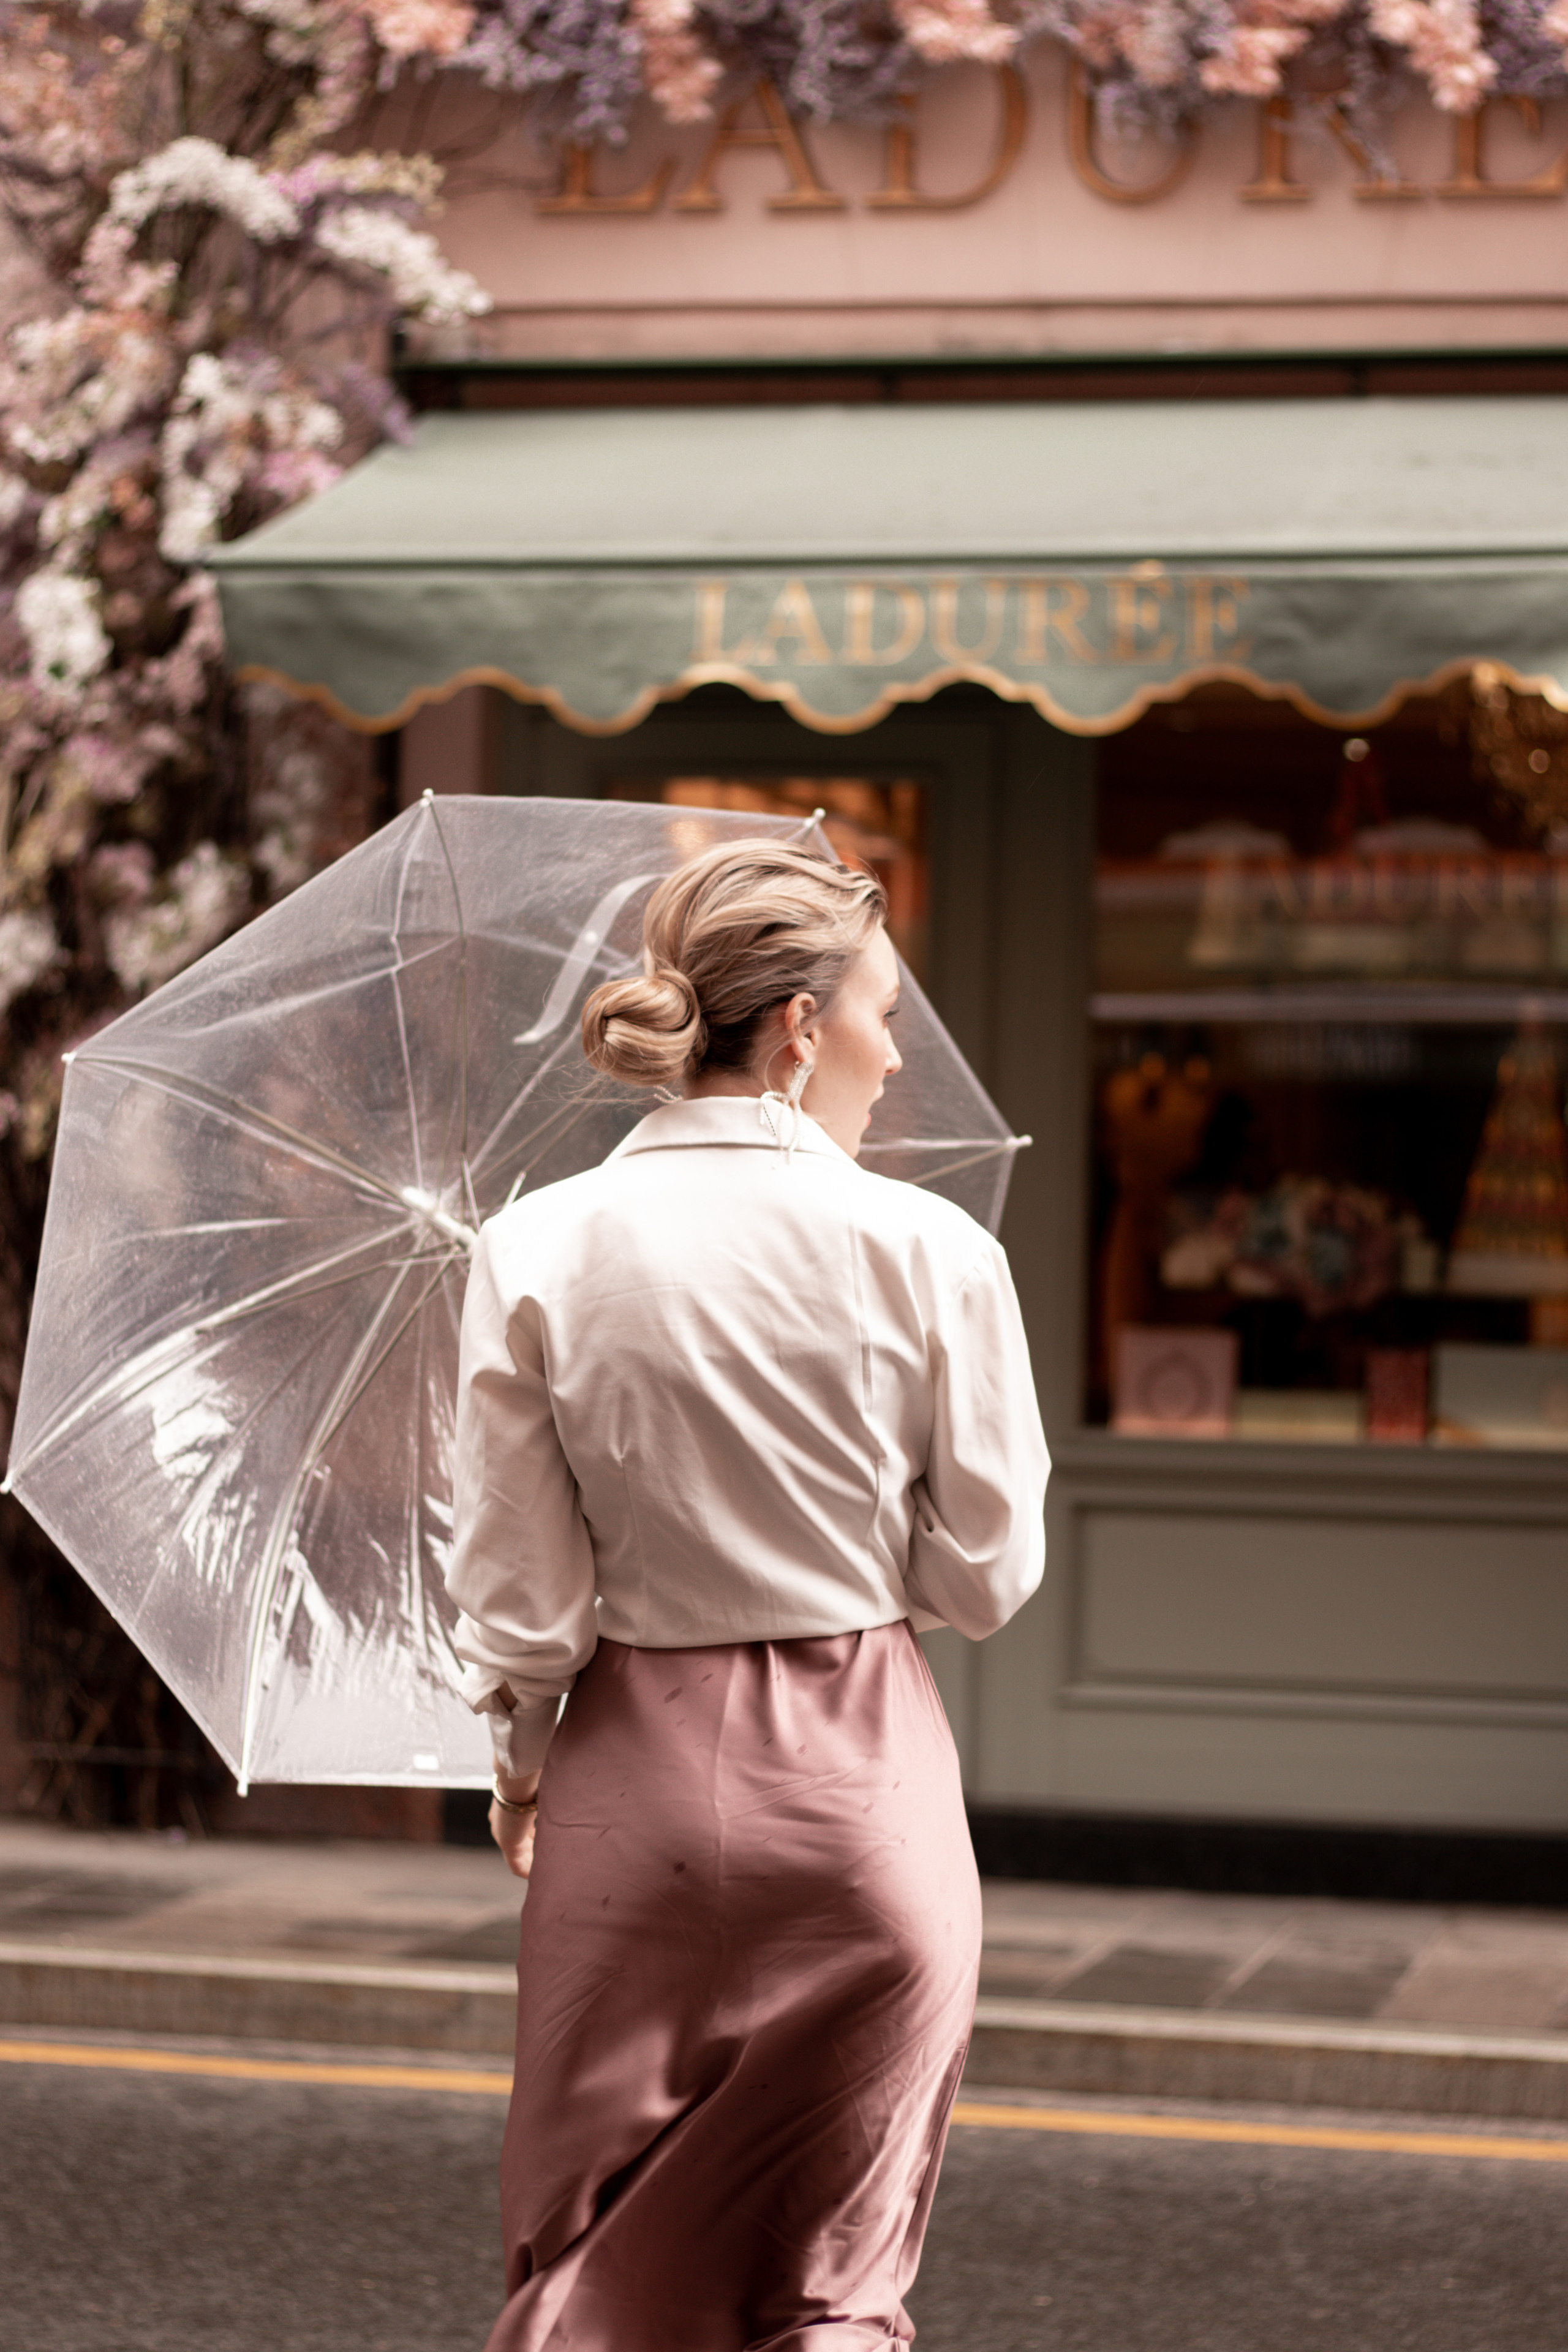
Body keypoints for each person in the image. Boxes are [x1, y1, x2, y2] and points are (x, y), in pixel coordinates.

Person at [445, 837, 1049, 2352]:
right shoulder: (937, 1250)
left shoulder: (534, 1245)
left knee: (591, 2263)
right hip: (862, 1800)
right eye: (884, 1014)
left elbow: (522, 1599)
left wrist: (520, 1775)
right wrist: (856, 1556)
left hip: (627, 1802)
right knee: (828, 2280)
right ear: (795, 1027)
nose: (893, 1054)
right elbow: (988, 1576)